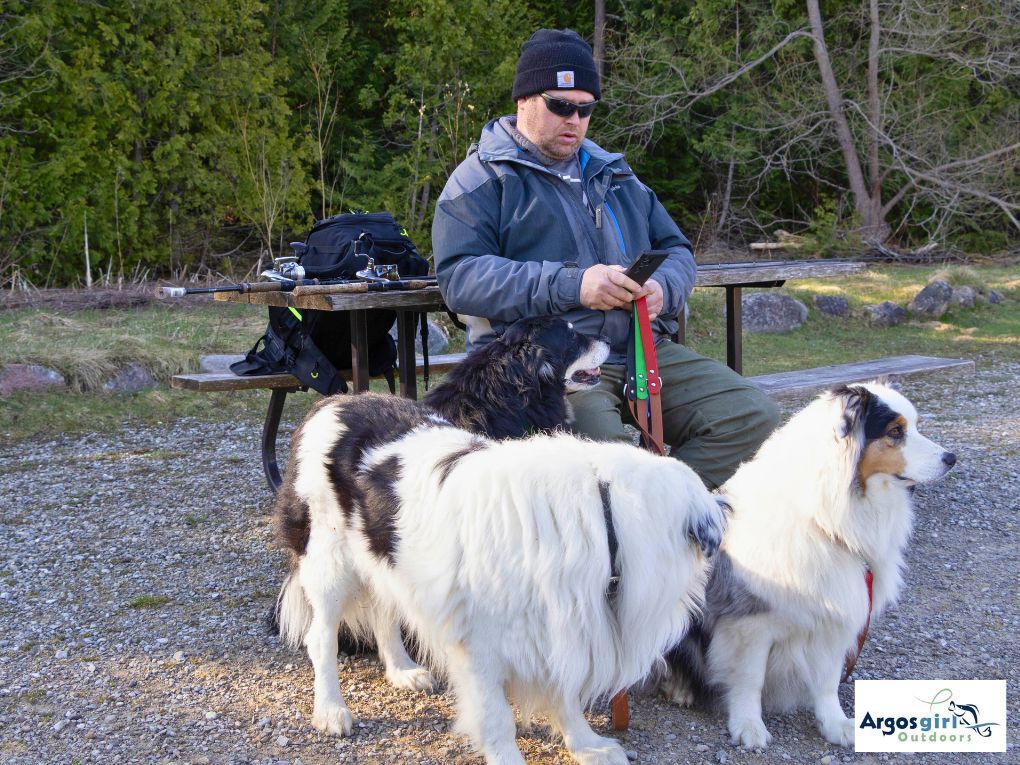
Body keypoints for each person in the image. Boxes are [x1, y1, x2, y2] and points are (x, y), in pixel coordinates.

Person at [431, 28, 779, 489]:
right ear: (523, 100)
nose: (574, 119)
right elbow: (461, 278)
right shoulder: (479, 180)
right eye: (561, 105)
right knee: (611, 461)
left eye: (586, 108)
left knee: (751, 416)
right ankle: (638, 523)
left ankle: (661, 516)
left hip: (641, 349)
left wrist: (663, 289)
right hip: (545, 365)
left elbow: (676, 249)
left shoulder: (614, 172)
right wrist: (574, 285)